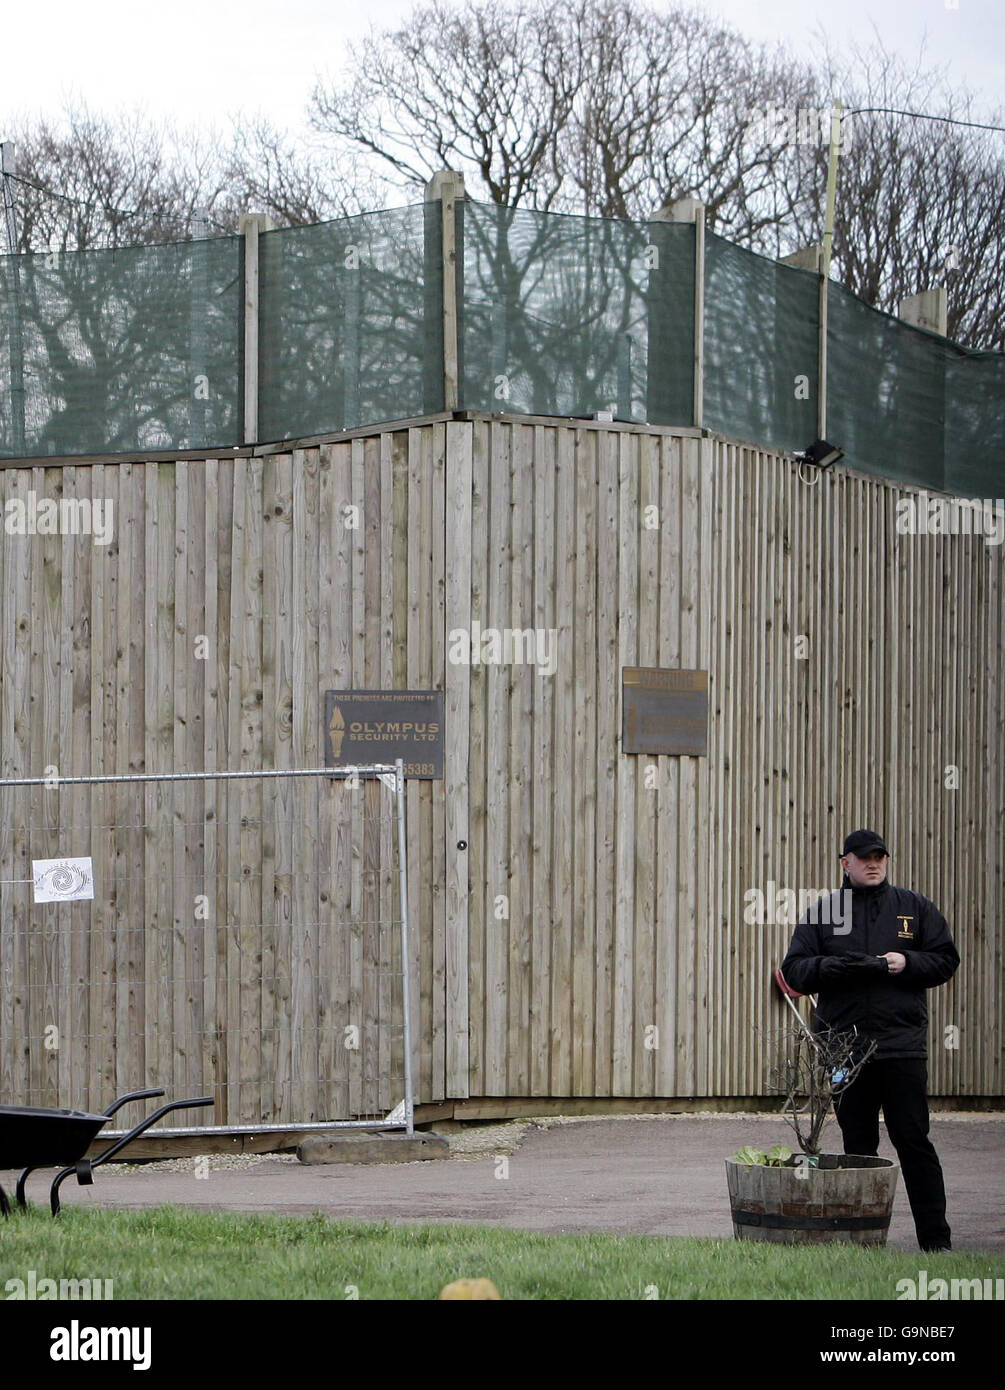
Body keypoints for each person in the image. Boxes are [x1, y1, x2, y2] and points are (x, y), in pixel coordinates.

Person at [780, 828, 960, 1251]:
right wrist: (829, 968)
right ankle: (861, 1244)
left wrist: (907, 961)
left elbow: (946, 959)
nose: (874, 862)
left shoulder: (913, 908)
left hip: (901, 1047)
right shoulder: (825, 912)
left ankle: (937, 1243)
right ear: (846, 863)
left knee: (913, 1142)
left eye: (879, 856)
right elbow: (794, 971)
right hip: (845, 1051)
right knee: (857, 1146)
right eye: (864, 857)